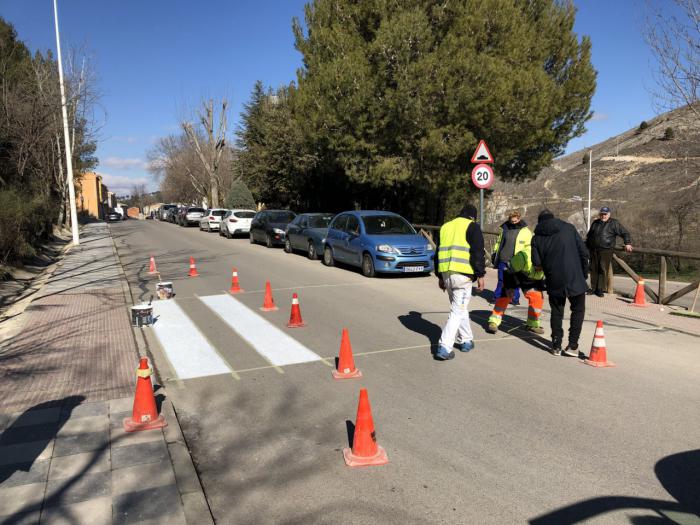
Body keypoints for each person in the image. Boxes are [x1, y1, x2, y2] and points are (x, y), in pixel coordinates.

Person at [531, 210, 589, 356]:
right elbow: (583, 252)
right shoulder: (569, 228)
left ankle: (556, 345)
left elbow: (536, 262)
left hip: (553, 278)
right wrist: (583, 273)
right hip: (575, 276)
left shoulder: (536, 238)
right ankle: (573, 345)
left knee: (556, 312)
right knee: (578, 310)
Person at [434, 204, 486, 361]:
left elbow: (437, 252)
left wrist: (439, 276)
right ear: (472, 217)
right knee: (457, 311)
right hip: (462, 276)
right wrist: (481, 275)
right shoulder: (472, 226)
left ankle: (466, 340)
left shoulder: (446, 227)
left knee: (460, 308)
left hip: (446, 273)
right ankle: (444, 346)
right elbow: (477, 253)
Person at [486, 247, 545, 335]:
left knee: (537, 297)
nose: (540, 269)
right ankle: (494, 321)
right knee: (505, 295)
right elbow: (508, 271)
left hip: (532, 279)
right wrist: (509, 288)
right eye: (539, 267)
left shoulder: (550, 260)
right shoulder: (523, 257)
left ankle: (532, 324)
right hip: (514, 274)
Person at [586, 206, 633, 297]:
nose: (603, 216)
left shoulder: (614, 223)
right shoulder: (595, 223)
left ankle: (600, 289)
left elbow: (625, 233)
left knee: (602, 269)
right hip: (593, 250)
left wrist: (627, 243)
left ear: (609, 214)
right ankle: (593, 288)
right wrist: (586, 246)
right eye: (602, 214)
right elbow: (589, 236)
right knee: (593, 269)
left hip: (606, 250)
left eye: (605, 214)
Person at [492, 209, 532, 306]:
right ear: (509, 219)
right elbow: (499, 242)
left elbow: (529, 246)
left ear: (519, 219)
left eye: (515, 221)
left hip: (516, 260)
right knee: (502, 280)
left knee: (516, 281)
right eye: (512, 221)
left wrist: (526, 259)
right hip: (503, 258)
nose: (513, 222)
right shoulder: (505, 229)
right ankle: (497, 298)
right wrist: (495, 252)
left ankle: (514, 299)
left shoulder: (526, 231)